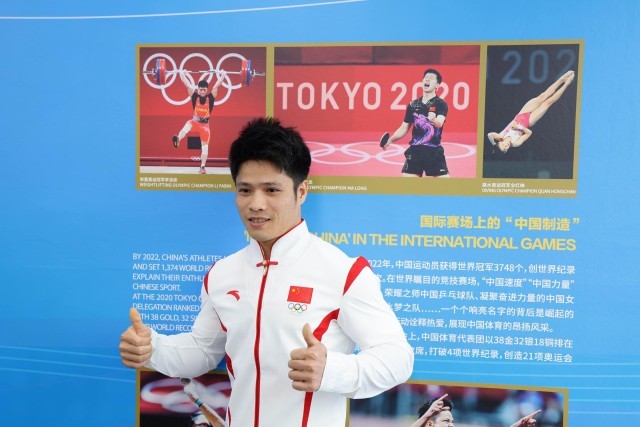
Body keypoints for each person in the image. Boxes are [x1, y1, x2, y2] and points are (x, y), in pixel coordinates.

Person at [120, 117, 414, 427]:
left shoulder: (343, 272)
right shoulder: (222, 274)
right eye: (245, 190)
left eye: (272, 190)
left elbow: (397, 357)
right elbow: (202, 351)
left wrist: (332, 371)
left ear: (301, 192)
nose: (256, 204)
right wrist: (152, 348)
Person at [382, 68, 450, 177]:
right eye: (426, 77)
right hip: (415, 152)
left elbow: (439, 123)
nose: (427, 79)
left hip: (434, 152)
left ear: (437, 85)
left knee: (446, 186)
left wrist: (433, 120)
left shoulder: (441, 104)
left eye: (431, 78)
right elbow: (404, 128)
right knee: (407, 186)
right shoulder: (413, 105)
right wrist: (390, 140)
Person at [487, 70, 575, 154]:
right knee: (548, 103)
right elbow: (529, 133)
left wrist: (494, 144)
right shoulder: (515, 143)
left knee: (542, 96)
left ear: (500, 142)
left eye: (503, 145)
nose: (506, 146)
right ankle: (566, 84)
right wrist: (519, 127)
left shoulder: (501, 136)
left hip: (522, 113)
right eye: (505, 149)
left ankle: (562, 79)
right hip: (529, 121)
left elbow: (489, 135)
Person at [172, 70, 226, 174]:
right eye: (200, 89)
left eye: (204, 90)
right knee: (186, 126)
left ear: (206, 90)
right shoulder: (195, 97)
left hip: (205, 126)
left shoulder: (211, 97)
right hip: (194, 122)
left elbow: (216, 86)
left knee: (205, 147)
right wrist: (182, 74)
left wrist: (223, 75)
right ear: (198, 89)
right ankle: (178, 139)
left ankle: (202, 166)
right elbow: (187, 84)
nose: (202, 91)